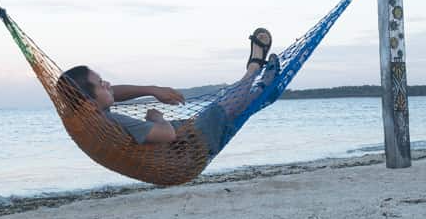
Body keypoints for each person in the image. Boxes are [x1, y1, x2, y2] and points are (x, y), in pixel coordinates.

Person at [59, 28, 278, 151]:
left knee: (229, 108)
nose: (108, 84)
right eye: (101, 83)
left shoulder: (87, 114)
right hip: (191, 149)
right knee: (221, 108)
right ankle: (255, 69)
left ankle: (263, 91)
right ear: (89, 102)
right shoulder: (112, 122)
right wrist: (157, 117)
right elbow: (166, 133)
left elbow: (112, 93)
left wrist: (152, 89)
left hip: (188, 139)